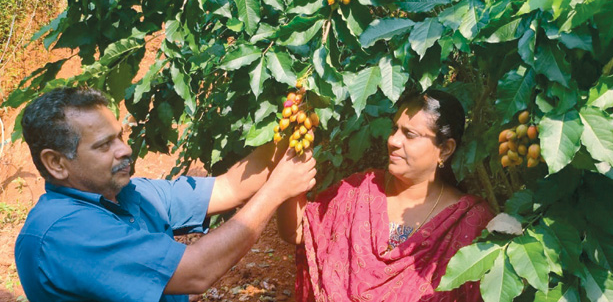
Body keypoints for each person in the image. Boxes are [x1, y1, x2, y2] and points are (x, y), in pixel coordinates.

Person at [14, 86, 317, 302]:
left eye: (120, 136)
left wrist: (289, 133)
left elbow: (228, 188)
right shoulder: (62, 234)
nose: (125, 149)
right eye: (104, 145)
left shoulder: (128, 194)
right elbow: (196, 272)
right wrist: (277, 190)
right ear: (56, 163)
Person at [277, 89, 494, 301]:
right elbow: (298, 231)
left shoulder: (468, 222)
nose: (393, 141)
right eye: (394, 129)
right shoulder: (362, 190)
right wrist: (296, 156)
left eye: (409, 134)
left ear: (445, 149)